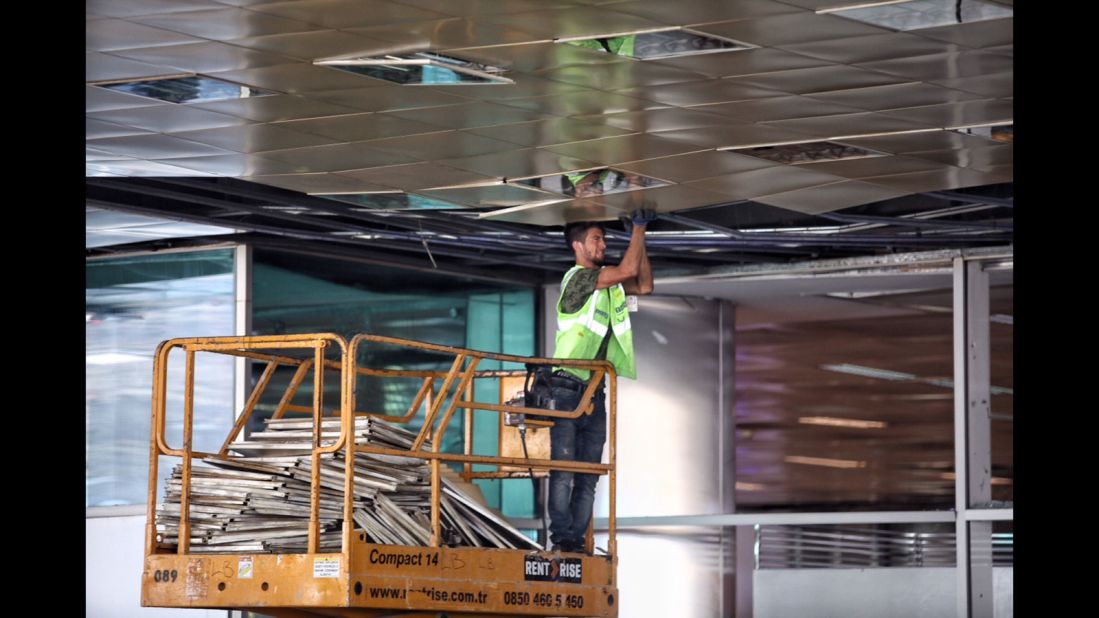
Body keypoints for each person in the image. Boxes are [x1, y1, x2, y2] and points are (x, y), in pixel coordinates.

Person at [547, 208, 657, 553]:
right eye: (597, 238)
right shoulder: (577, 279)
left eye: (604, 238)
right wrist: (638, 228)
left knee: (589, 474)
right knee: (565, 470)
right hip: (565, 387)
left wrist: (640, 238)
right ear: (578, 246)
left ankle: (574, 540)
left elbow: (644, 283)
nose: (603, 244)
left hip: (595, 389)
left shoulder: (609, 288)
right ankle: (563, 538)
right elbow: (626, 270)